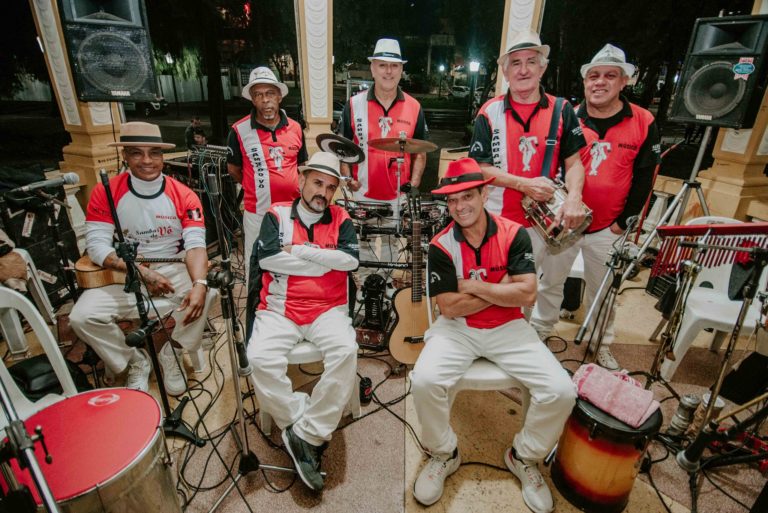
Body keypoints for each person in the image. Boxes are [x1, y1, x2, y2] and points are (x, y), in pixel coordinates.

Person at [411, 158, 576, 513]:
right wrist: (498, 286)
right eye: (452, 200)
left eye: (467, 196)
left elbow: (527, 295)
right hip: (457, 331)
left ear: (484, 194)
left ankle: (524, 456)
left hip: (509, 328)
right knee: (423, 381)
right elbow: (449, 308)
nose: (459, 207)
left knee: (562, 391)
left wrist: (470, 284)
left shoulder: (514, 233)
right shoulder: (441, 245)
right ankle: (443, 453)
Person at [530, 44, 661, 369]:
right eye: (594, 76)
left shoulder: (643, 121)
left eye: (609, 76)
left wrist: (624, 222)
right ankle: (540, 331)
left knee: (604, 291)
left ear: (624, 81)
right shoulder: (568, 116)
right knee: (550, 283)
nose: (600, 82)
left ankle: (598, 342)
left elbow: (645, 176)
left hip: (609, 227)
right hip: (566, 224)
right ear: (585, 81)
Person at [69, 122, 211, 395]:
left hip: (172, 265)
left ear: (162, 156)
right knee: (82, 317)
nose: (147, 161)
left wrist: (200, 284)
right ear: (125, 156)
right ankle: (135, 361)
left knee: (209, 295)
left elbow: (195, 245)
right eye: (136, 153)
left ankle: (172, 353)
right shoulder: (106, 192)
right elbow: (97, 246)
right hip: (126, 269)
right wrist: (141, 272)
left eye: (154, 153)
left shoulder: (185, 195)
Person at [248, 151, 359, 492]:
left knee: (345, 350)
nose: (322, 193)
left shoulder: (342, 218)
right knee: (259, 358)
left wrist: (299, 251)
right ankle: (300, 422)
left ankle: (305, 433)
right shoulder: (276, 215)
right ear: (301, 180)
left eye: (330, 187)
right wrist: (326, 263)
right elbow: (268, 260)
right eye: (317, 183)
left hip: (328, 309)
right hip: (279, 308)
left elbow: (350, 262)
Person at [469, 30, 587, 321]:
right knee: (499, 287)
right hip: (499, 219)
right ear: (505, 71)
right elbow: (480, 167)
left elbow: (575, 163)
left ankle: (538, 335)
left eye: (531, 61)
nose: (523, 70)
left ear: (542, 67)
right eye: (515, 62)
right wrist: (523, 184)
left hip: (546, 220)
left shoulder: (563, 110)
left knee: (541, 288)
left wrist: (574, 198)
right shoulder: (489, 111)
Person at [338, 38, 428, 274]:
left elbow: (420, 151)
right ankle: (368, 297)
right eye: (382, 65)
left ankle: (388, 297)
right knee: (363, 248)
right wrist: (348, 181)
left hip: (396, 196)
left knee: (391, 248)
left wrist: (414, 184)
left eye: (394, 66)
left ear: (401, 70)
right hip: (362, 194)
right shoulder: (354, 104)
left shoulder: (414, 106)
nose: (388, 71)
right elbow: (343, 150)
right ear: (372, 68)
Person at [227, 67, 308, 272]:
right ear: (252, 100)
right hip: (257, 213)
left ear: (279, 96)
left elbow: (302, 167)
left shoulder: (296, 128)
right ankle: (255, 304)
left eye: (270, 93)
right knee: (256, 263)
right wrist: (256, 185)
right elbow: (234, 169)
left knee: (291, 261)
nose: (265, 100)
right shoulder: (239, 130)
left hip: (291, 212)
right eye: (258, 95)